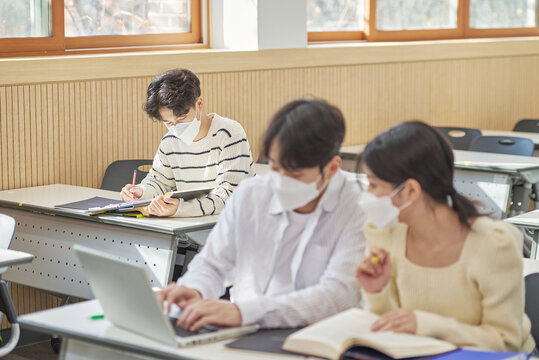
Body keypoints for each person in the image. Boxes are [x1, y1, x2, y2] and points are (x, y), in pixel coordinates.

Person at [158, 98, 366, 330]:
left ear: (332, 168)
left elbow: (339, 294)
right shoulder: (251, 194)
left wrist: (245, 312)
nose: (281, 181)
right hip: (243, 331)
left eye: (294, 174)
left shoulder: (357, 206)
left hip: (317, 337)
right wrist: (193, 288)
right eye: (276, 167)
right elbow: (214, 263)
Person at [355, 121, 536, 354]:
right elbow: (391, 327)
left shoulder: (493, 244)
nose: (367, 195)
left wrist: (426, 325)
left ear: (410, 190)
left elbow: (505, 342)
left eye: (373, 185)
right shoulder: (384, 232)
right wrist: (376, 291)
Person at [120, 68, 256, 217]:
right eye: (169, 123)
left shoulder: (229, 133)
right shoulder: (170, 141)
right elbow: (160, 182)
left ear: (199, 104)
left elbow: (230, 194)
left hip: (238, 222)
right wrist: (141, 192)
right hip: (195, 225)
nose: (177, 128)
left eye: (182, 119)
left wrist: (181, 209)